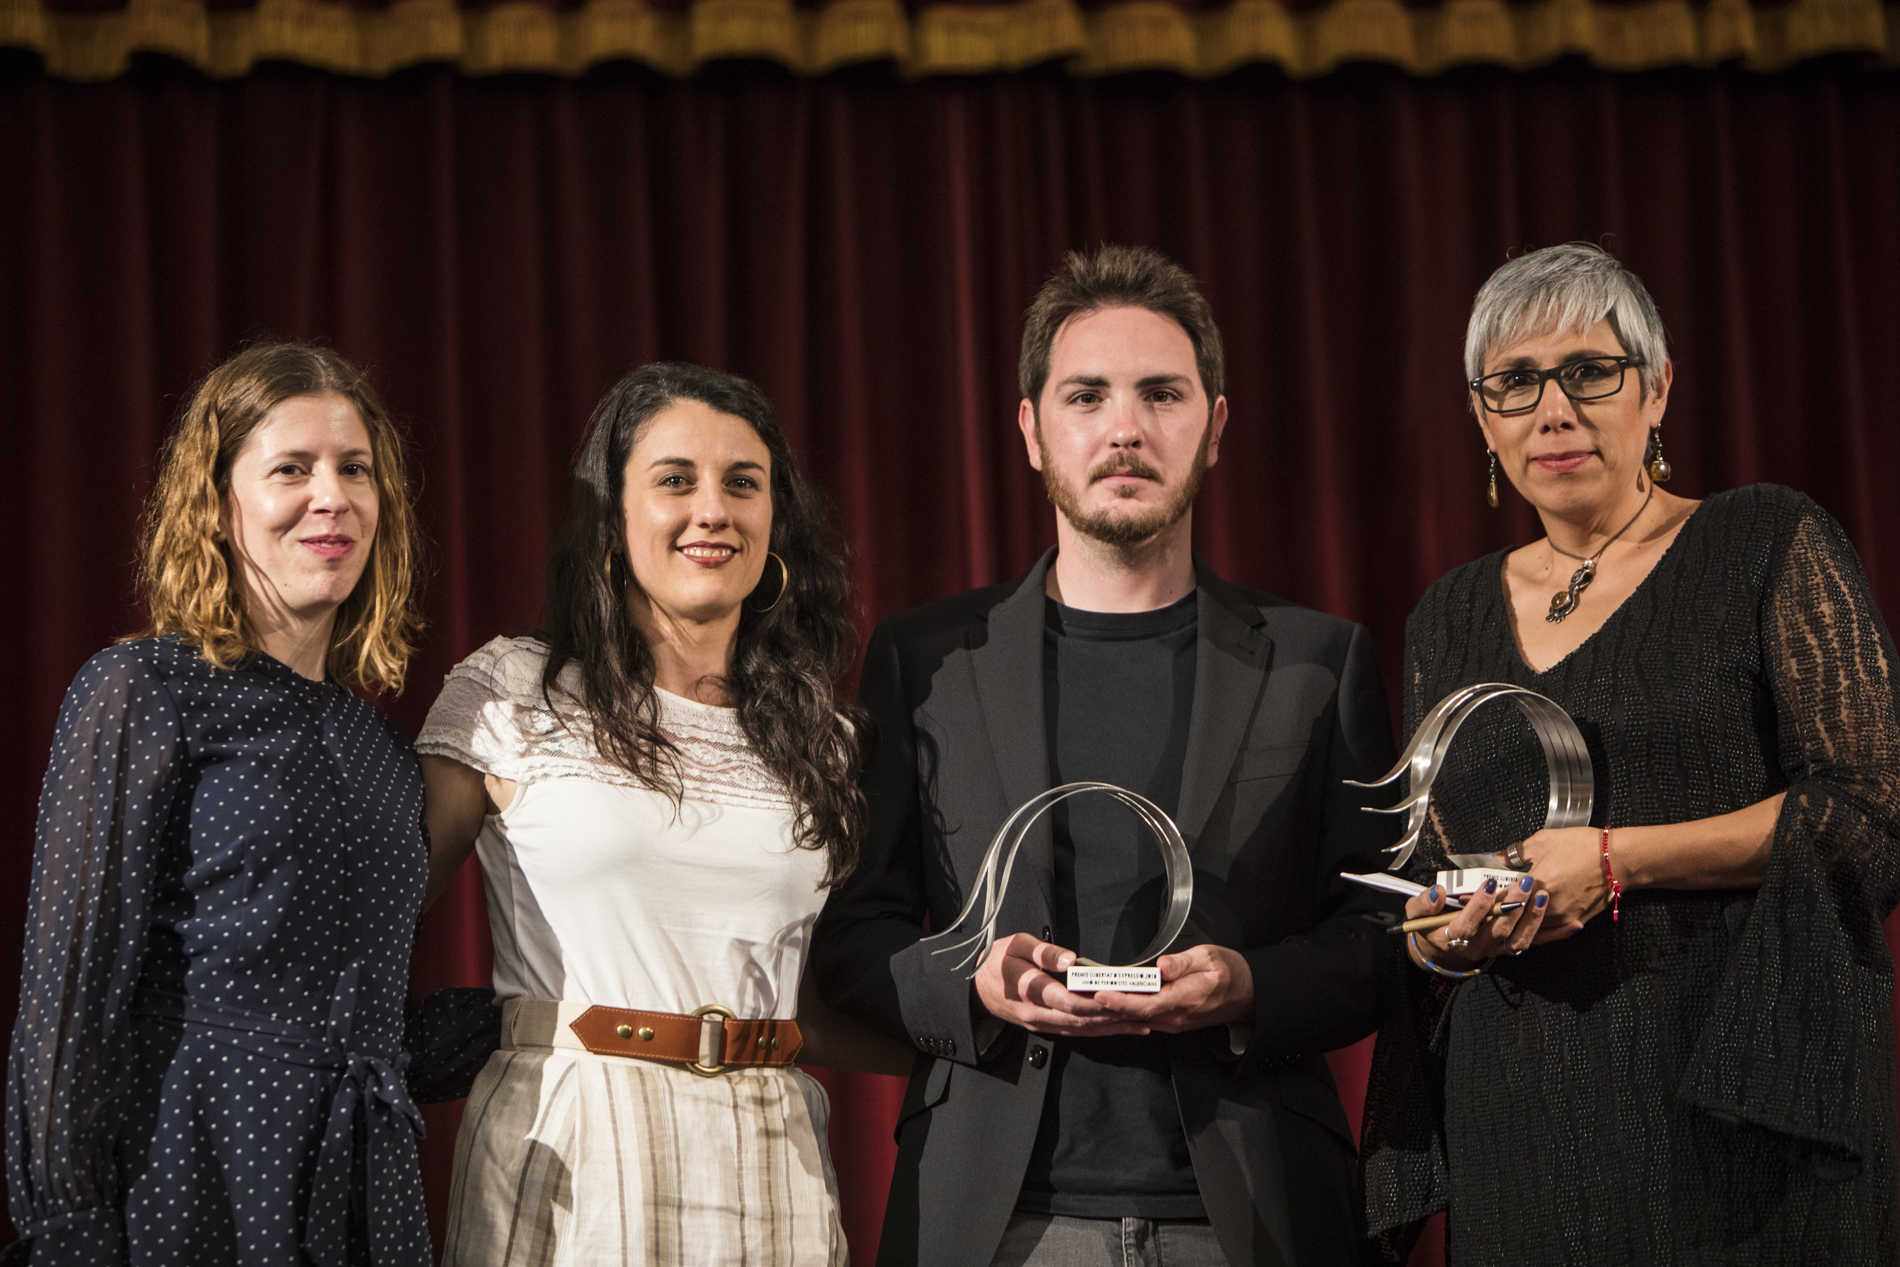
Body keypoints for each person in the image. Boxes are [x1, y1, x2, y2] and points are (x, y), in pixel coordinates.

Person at [812, 244, 1398, 1267]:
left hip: (1256, 1213)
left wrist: (1248, 984)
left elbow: (1384, 929)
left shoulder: (1318, 659)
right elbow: (850, 933)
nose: (1125, 427)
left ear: (1215, 426)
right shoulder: (925, 659)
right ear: (1033, 431)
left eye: (1161, 394)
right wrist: (972, 981)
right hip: (993, 1217)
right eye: (1087, 395)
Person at [1360, 242, 1900, 1264]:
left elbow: (1871, 803)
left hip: (1744, 1105)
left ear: (1656, 389)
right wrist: (1440, 932)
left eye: (1588, 372)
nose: (1551, 409)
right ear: (1482, 419)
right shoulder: (1449, 614)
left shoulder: (1764, 541)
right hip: (1518, 1122)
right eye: (1514, 384)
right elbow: (1427, 870)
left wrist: (1615, 858)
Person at [417, 362, 864, 1266]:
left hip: (770, 1145)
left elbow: (805, 985)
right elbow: (377, 905)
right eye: (674, 481)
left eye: (744, 483)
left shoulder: (822, 733)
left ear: (776, 519)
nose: (714, 510)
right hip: (575, 1136)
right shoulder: (510, 689)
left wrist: (989, 1044)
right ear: (611, 518)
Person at [4, 342, 431, 1264]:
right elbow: (68, 1005)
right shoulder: (143, 690)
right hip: (192, 1172)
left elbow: (354, 1017)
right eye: (292, 468)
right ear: (219, 502)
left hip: (364, 1198)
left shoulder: (386, 753)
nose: (334, 497)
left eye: (355, 469)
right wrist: (66, 1231)